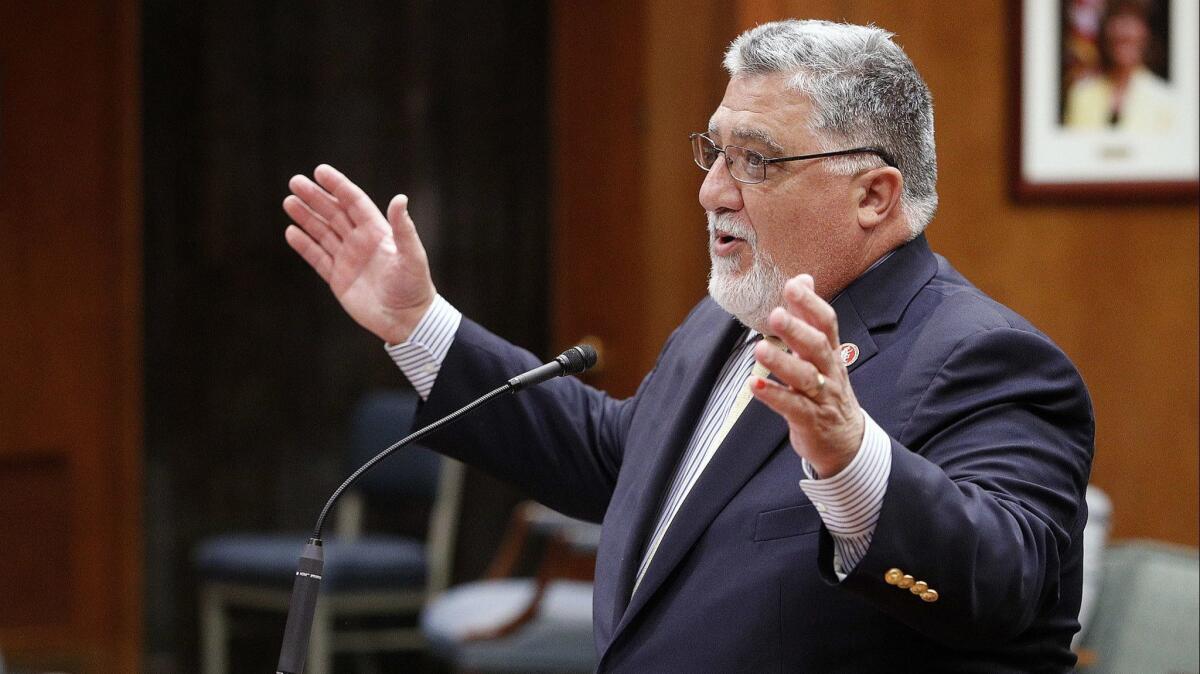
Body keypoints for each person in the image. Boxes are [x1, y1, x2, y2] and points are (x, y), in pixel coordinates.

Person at [283, 19, 1094, 672]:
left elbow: (1006, 582)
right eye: (715, 152)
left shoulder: (987, 357)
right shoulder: (727, 319)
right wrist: (417, 322)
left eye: (757, 162)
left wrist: (850, 462)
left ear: (875, 196)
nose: (712, 191)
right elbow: (615, 459)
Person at [1064, 0, 1174, 131]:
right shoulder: (1081, 94)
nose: (1124, 33)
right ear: (1105, 33)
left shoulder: (1165, 99)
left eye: (1132, 22)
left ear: (1146, 33)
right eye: (1116, 21)